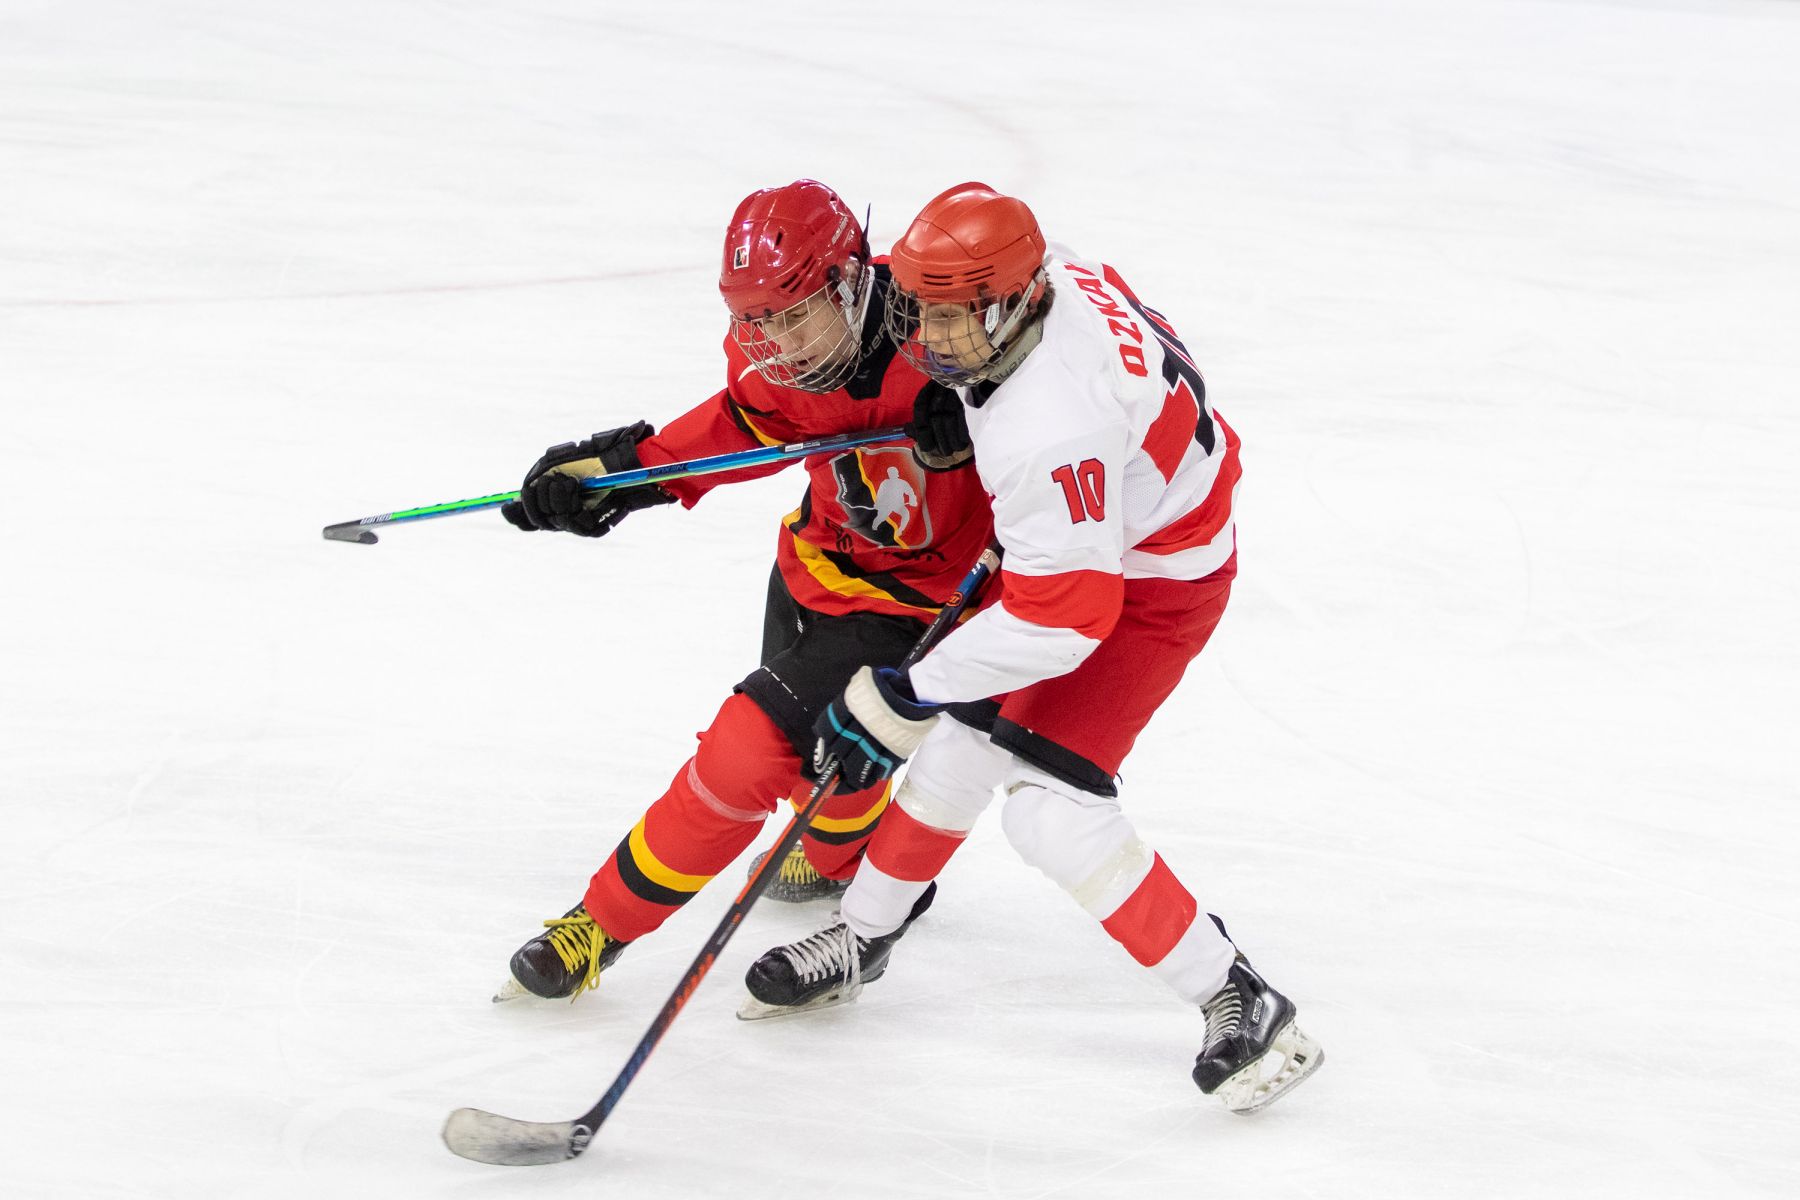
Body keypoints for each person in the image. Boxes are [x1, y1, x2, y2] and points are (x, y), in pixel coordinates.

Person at [740, 183, 1323, 1114]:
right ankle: (862, 938)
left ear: (1011, 302)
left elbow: (1067, 620)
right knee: (956, 759)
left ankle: (1240, 998)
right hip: (1103, 532)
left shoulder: (1047, 429)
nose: (926, 341)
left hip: (1152, 588)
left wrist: (899, 697)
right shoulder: (1054, 286)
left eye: (948, 321)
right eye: (918, 310)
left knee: (1049, 815)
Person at [494, 180, 993, 1002]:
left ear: (847, 281)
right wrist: (616, 475)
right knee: (825, 778)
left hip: (920, 608)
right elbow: (748, 424)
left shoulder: (945, 330)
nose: (776, 342)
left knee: (747, 750)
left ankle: (598, 926)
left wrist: (980, 426)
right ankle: (853, 868)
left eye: (793, 314)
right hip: (816, 571)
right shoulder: (781, 354)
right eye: (756, 320)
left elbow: (1054, 451)